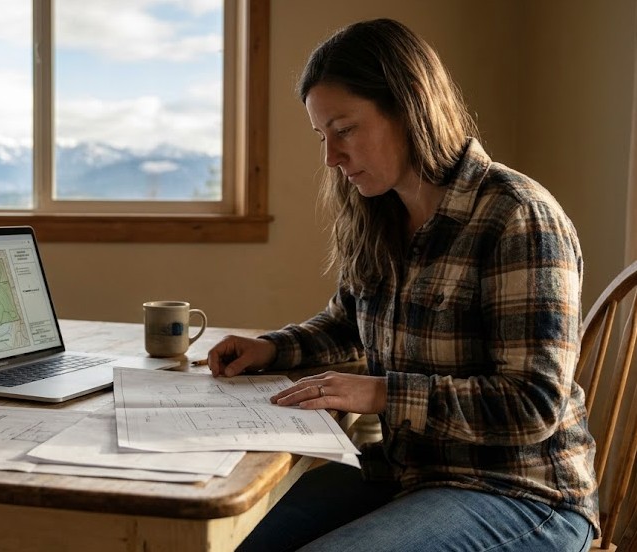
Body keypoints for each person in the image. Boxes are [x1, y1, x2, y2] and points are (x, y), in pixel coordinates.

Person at [205, 18, 599, 552]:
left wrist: (383, 393)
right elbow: (347, 321)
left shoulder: (518, 217)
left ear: (410, 105)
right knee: (231, 539)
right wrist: (272, 347)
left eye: (344, 130)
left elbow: (532, 405)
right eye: (323, 136)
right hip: (405, 474)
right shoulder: (381, 213)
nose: (331, 158)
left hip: (523, 494)